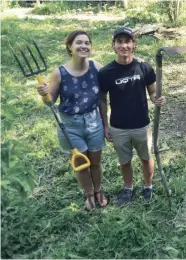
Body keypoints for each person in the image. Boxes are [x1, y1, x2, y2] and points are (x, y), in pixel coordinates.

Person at [37, 30, 108, 210]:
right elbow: (49, 102)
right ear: (70, 47)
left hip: (94, 122)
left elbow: (113, 79)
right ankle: (88, 193)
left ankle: (98, 189)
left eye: (86, 42)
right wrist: (44, 95)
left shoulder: (97, 67)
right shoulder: (59, 73)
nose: (83, 46)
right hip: (70, 126)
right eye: (79, 43)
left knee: (95, 161)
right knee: (80, 164)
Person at [98, 27, 166, 206]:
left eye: (127, 41)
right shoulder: (106, 73)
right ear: (113, 46)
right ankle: (128, 188)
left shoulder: (144, 67)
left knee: (146, 158)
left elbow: (152, 92)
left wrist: (156, 99)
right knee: (124, 161)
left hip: (141, 125)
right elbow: (102, 101)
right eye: (119, 42)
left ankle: (148, 185)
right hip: (118, 126)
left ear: (134, 44)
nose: (124, 45)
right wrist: (105, 126)